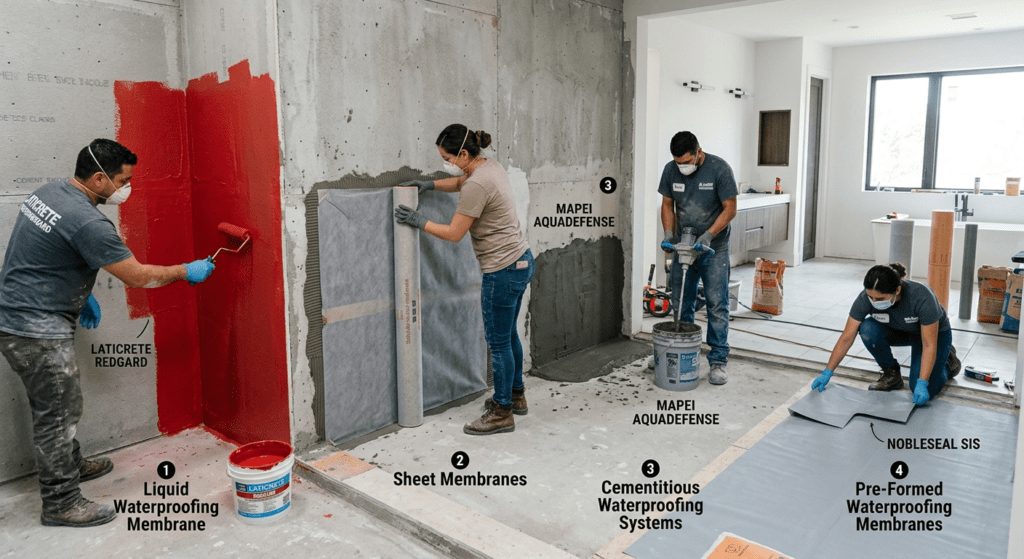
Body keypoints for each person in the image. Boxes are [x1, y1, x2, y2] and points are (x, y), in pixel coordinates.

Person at [0, 139, 216, 527]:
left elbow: (41, 249)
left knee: (57, 403)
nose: (126, 189)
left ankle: (72, 464)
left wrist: (78, 293)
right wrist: (186, 270)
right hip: (34, 327)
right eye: (123, 181)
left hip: (18, 311)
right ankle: (61, 502)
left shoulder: (49, 192)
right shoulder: (89, 221)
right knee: (59, 411)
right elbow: (136, 276)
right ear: (99, 178)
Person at [394, 124, 532, 436]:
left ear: (464, 153)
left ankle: (502, 412)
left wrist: (419, 221)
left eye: (447, 157)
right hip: (521, 261)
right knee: (509, 335)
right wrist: (430, 185)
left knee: (498, 344)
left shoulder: (477, 185)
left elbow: (455, 233)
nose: (447, 162)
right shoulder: (488, 167)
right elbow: (461, 180)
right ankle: (516, 395)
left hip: (502, 270)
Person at [811, 263, 961, 405]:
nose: (874, 301)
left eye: (880, 299)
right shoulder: (865, 298)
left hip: (932, 336)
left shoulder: (921, 297)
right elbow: (847, 337)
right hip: (899, 330)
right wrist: (827, 372)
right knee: (867, 328)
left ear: (897, 290)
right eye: (871, 297)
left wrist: (922, 383)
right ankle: (892, 374)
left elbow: (929, 344)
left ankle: (948, 362)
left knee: (924, 388)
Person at [658, 131, 737, 385]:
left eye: (686, 162)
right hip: (684, 245)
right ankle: (681, 350)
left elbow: (730, 208)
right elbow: (667, 203)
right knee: (681, 300)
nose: (682, 167)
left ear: (698, 153)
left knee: (716, 303)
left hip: (714, 248)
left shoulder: (719, 169)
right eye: (678, 162)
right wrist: (669, 233)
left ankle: (717, 361)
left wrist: (710, 235)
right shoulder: (670, 170)